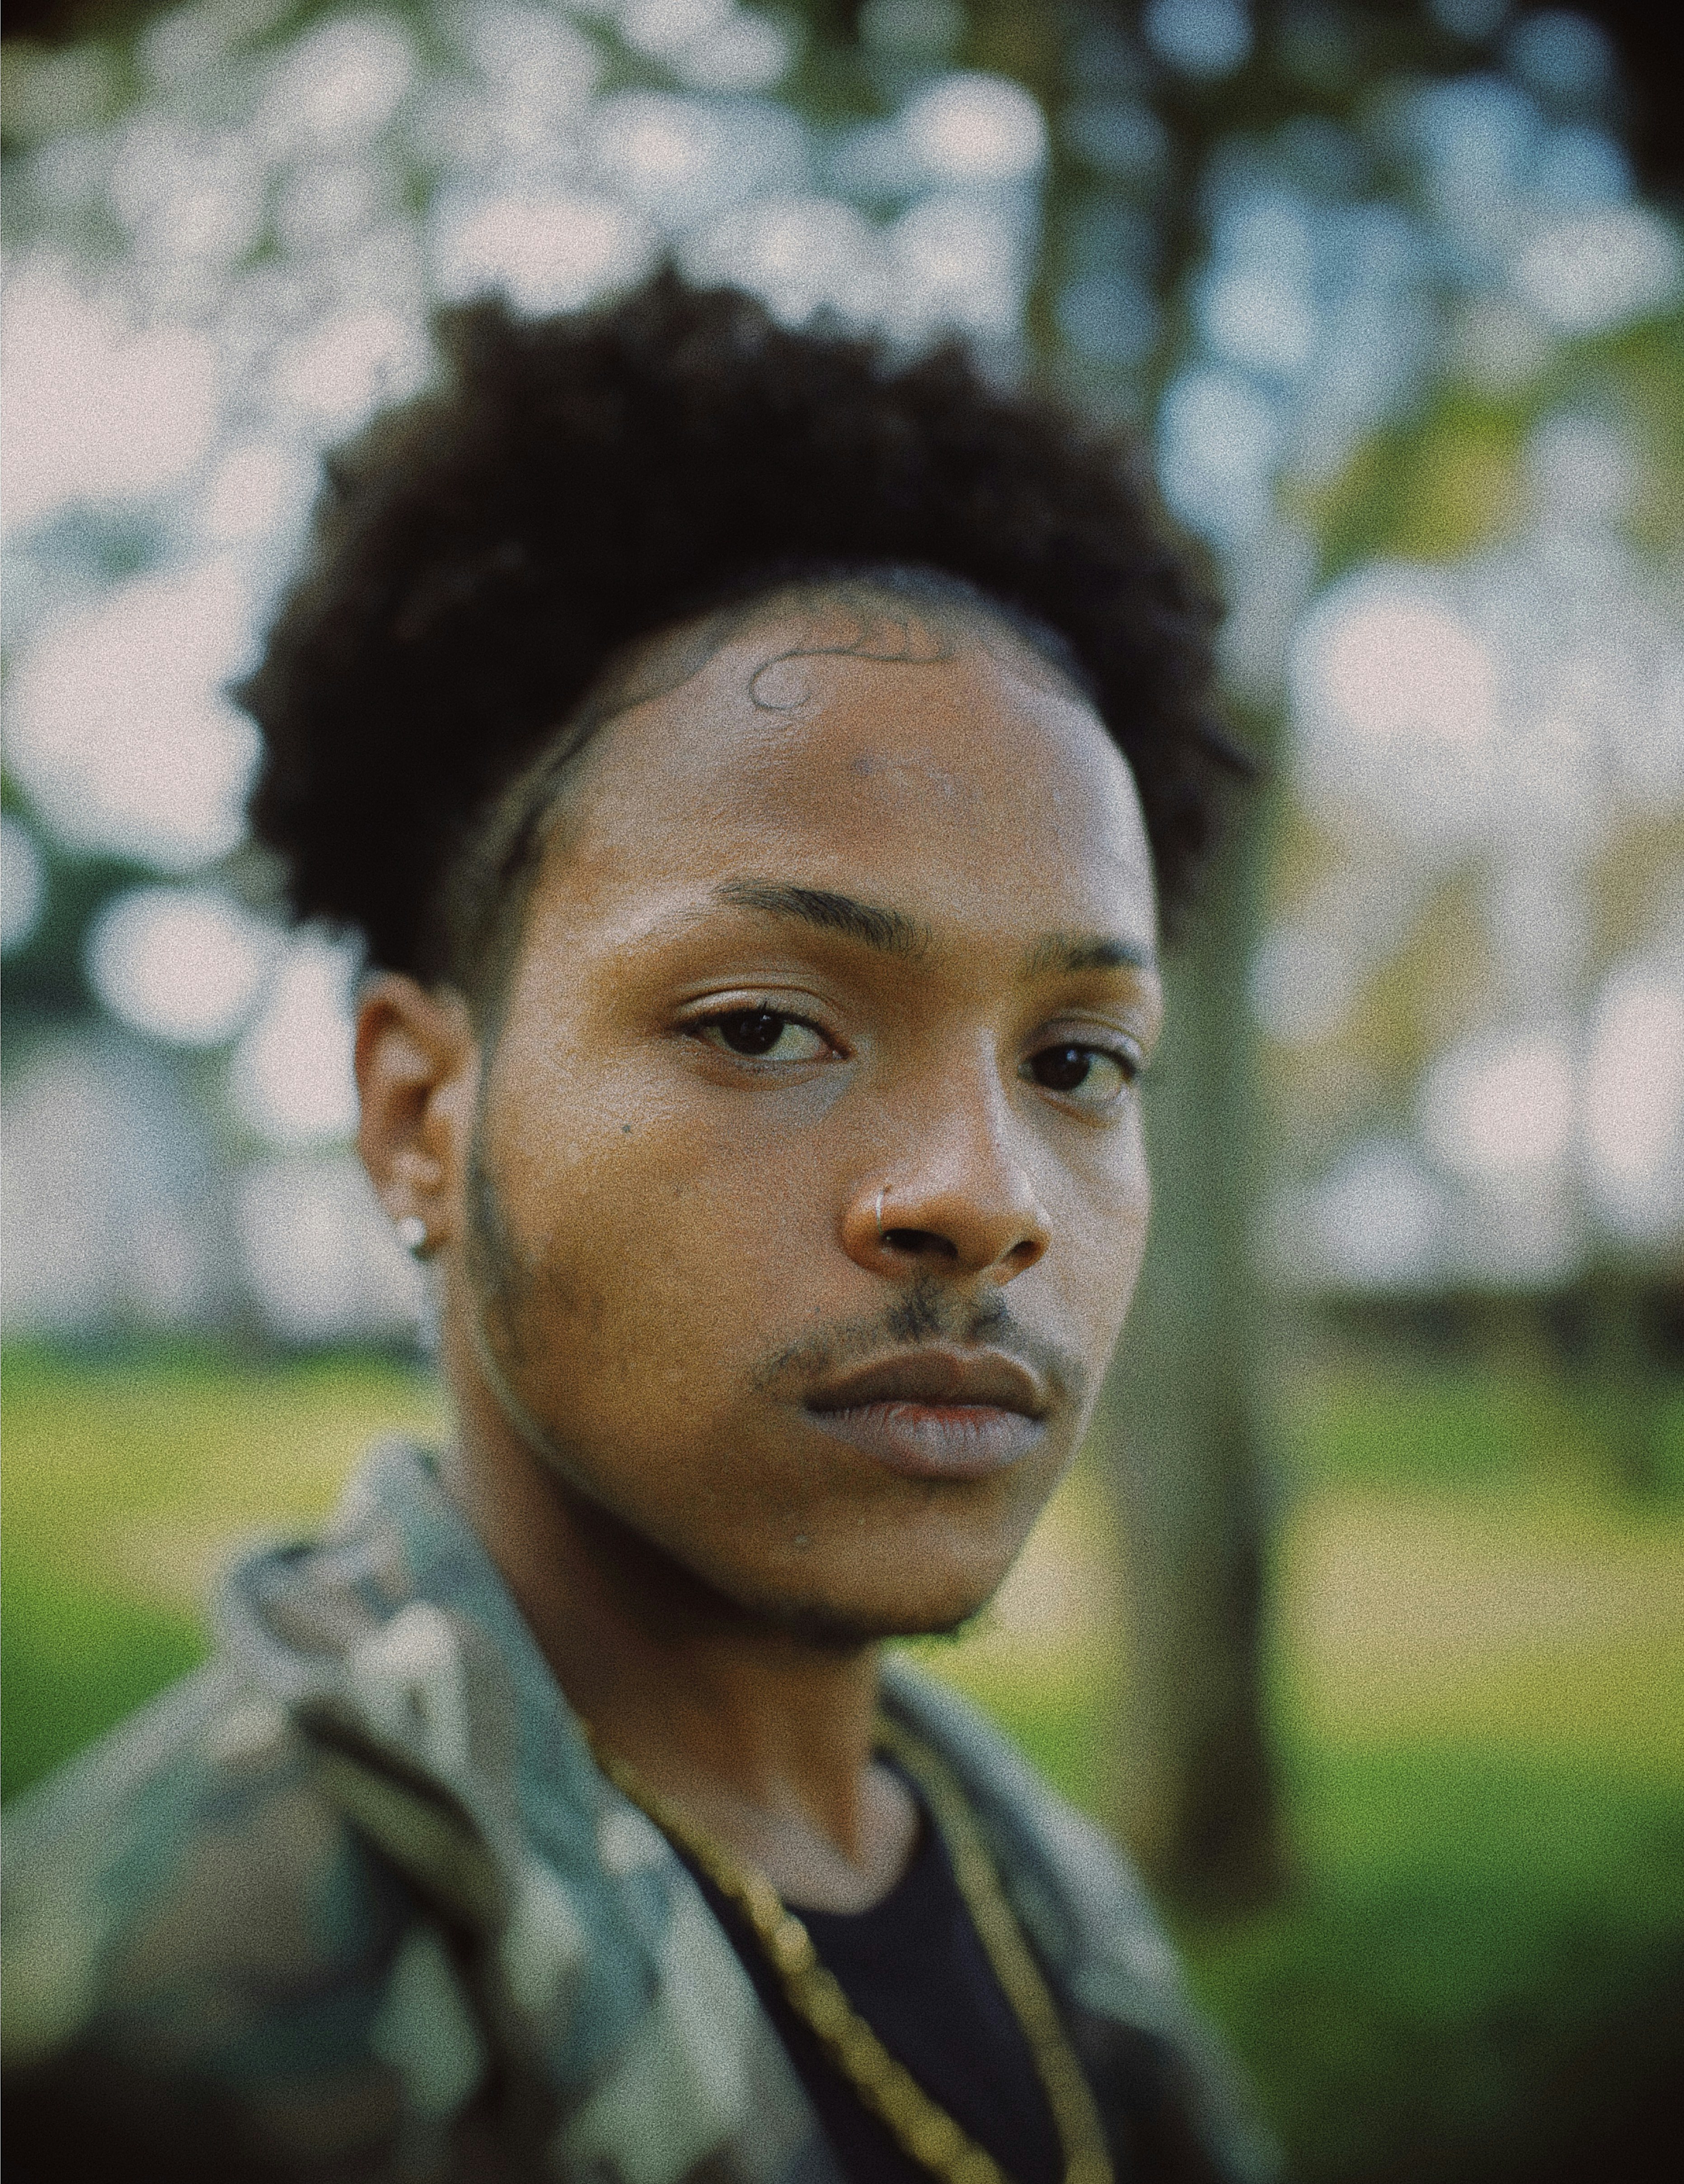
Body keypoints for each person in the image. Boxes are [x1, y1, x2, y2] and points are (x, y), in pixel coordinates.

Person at [2, 273, 1274, 2184]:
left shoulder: (1052, 1911)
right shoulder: (150, 2036)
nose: (982, 1196)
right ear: (421, 1119)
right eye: (763, 1026)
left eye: (1079, 1058)